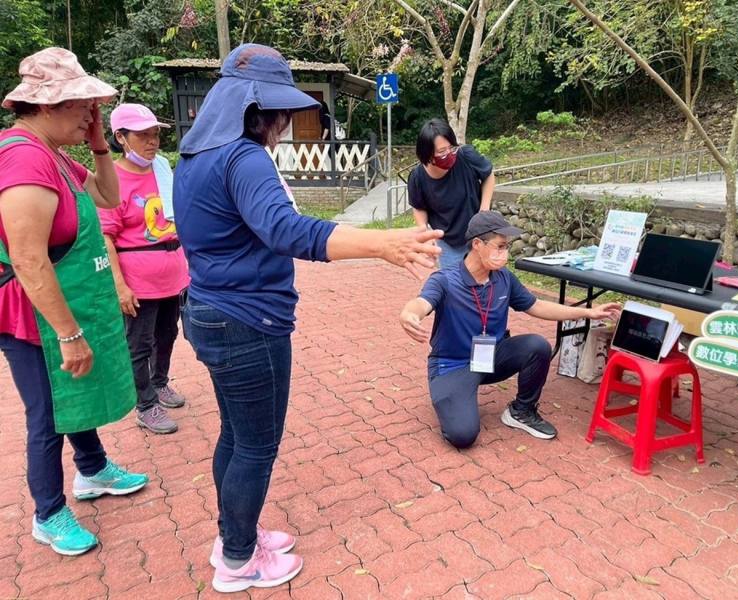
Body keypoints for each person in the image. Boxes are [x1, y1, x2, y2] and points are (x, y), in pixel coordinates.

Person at [173, 44, 442, 594]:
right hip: (248, 323)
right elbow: (287, 231)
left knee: (236, 435)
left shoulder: (195, 156)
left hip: (208, 311)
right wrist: (382, 244)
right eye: (281, 114)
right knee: (255, 446)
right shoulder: (244, 157)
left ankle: (233, 535)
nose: (283, 126)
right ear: (261, 111)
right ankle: (238, 561)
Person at [0, 48, 148, 556]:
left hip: (62, 300)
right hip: (31, 316)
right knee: (47, 411)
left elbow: (109, 198)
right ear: (45, 106)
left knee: (78, 390)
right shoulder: (22, 156)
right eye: (81, 104)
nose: (90, 111)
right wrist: (68, 332)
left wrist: (99, 145)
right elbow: (28, 259)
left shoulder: (56, 155)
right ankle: (48, 512)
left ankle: (92, 470)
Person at [400, 211, 621, 449]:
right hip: (453, 364)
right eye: (500, 246)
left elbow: (537, 306)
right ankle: (454, 398)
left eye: (507, 247)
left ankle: (521, 411)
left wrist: (588, 312)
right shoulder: (445, 280)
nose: (505, 253)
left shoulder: (504, 278)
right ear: (477, 245)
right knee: (462, 435)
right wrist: (409, 314)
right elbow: (422, 303)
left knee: (537, 346)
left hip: (492, 357)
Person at [101, 103, 190, 435]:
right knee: (139, 343)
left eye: (155, 135)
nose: (152, 142)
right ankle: (145, 404)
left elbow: (177, 218)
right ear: (121, 137)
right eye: (143, 136)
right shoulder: (113, 179)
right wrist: (119, 286)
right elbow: (106, 237)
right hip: (138, 277)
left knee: (168, 333)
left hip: (172, 272)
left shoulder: (163, 169)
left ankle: (160, 382)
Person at [408, 118, 495, 270]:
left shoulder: (466, 156)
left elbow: (488, 175)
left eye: (451, 148)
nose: (449, 154)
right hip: (447, 241)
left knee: (484, 281)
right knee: (454, 285)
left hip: (479, 234)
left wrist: (484, 208)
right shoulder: (417, 177)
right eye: (442, 151)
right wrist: (425, 232)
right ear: (428, 155)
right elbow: (419, 207)